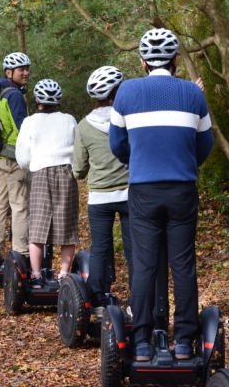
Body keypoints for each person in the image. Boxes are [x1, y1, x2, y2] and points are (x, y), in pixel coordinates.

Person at [109, 28, 214, 361]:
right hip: (183, 188)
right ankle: (184, 342)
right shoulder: (193, 94)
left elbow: (117, 145)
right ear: (174, 60)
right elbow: (205, 144)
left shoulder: (126, 92)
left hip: (143, 190)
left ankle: (141, 343)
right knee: (183, 265)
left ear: (142, 61)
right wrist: (183, 163)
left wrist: (139, 161)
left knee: (144, 266)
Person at [73, 66, 134, 319]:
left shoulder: (83, 126)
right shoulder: (129, 118)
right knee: (134, 249)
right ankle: (136, 304)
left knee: (100, 248)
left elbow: (78, 170)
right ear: (117, 92)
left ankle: (98, 302)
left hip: (99, 198)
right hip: (131, 195)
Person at [15, 79, 79, 287]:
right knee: (67, 225)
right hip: (65, 172)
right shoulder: (69, 120)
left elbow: (22, 156)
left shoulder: (30, 122)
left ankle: (36, 274)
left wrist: (32, 165)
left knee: (39, 225)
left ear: (37, 100)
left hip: (41, 172)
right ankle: (64, 274)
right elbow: (78, 149)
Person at [0, 52, 32, 268]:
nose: (26, 72)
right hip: (14, 158)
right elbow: (24, 127)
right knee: (19, 205)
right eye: (21, 69)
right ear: (8, 72)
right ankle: (21, 254)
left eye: (27, 68)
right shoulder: (13, 95)